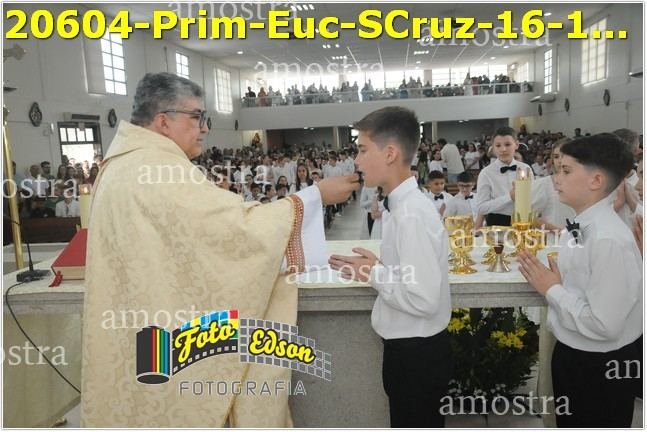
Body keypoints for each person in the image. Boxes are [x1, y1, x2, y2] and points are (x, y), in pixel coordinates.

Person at [81, 72, 359, 428]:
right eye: (197, 116)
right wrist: (314, 197)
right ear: (164, 121)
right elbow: (235, 233)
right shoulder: (156, 168)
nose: (205, 128)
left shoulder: (122, 163)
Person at [329, 107, 452, 428]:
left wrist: (372, 273)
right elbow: (412, 274)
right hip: (411, 350)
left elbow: (424, 299)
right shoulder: (403, 206)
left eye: (362, 149)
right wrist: (380, 266)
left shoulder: (411, 213)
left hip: (416, 353)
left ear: (390, 153)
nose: (356, 160)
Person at [519, 133, 642, 428]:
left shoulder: (608, 239)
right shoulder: (583, 225)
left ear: (596, 180)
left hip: (599, 365)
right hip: (576, 352)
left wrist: (552, 289)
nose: (556, 178)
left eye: (566, 171)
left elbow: (605, 324)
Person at [476, 127, 534, 227]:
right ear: (493, 148)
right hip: (497, 223)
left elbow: (533, 196)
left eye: (507, 144)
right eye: (498, 145)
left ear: (516, 145)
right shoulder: (486, 173)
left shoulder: (525, 168)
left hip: (524, 220)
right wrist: (509, 197)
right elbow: (482, 208)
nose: (503, 149)